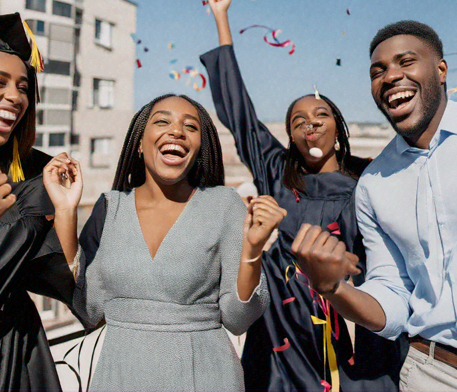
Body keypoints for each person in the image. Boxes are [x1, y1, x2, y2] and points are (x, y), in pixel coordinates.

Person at [200, 0, 407, 392]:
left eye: (320, 114)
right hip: (282, 332)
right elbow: (237, 110)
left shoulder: (372, 176)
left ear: (338, 126)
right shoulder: (275, 171)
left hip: (351, 325)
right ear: (290, 135)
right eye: (297, 120)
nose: (309, 124)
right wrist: (221, 18)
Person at [46, 93, 285, 391]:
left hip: (205, 375)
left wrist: (252, 251)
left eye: (191, 127)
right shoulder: (110, 207)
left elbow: (238, 318)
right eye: (162, 121)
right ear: (138, 143)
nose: (176, 131)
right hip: (119, 376)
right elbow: (88, 309)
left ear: (200, 149)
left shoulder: (224, 205)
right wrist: (66, 211)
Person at [292, 21, 457, 392]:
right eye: (378, 71)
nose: (391, 76)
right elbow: (392, 298)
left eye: (405, 62)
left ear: (440, 70)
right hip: (434, 374)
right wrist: (333, 289)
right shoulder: (373, 184)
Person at [0, 13, 82, 391]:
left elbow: (66, 282)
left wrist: (65, 211)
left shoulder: (32, 174)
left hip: (18, 355)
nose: (15, 96)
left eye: (24, 87)